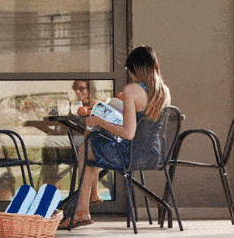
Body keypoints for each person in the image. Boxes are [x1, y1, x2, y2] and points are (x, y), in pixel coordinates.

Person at [60, 45, 171, 228]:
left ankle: (82, 211)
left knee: (86, 147)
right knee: (92, 145)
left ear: (135, 69)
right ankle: (91, 198)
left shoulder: (132, 90)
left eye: (129, 69)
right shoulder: (164, 91)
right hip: (154, 155)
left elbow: (128, 133)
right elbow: (143, 126)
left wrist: (100, 121)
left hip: (130, 155)